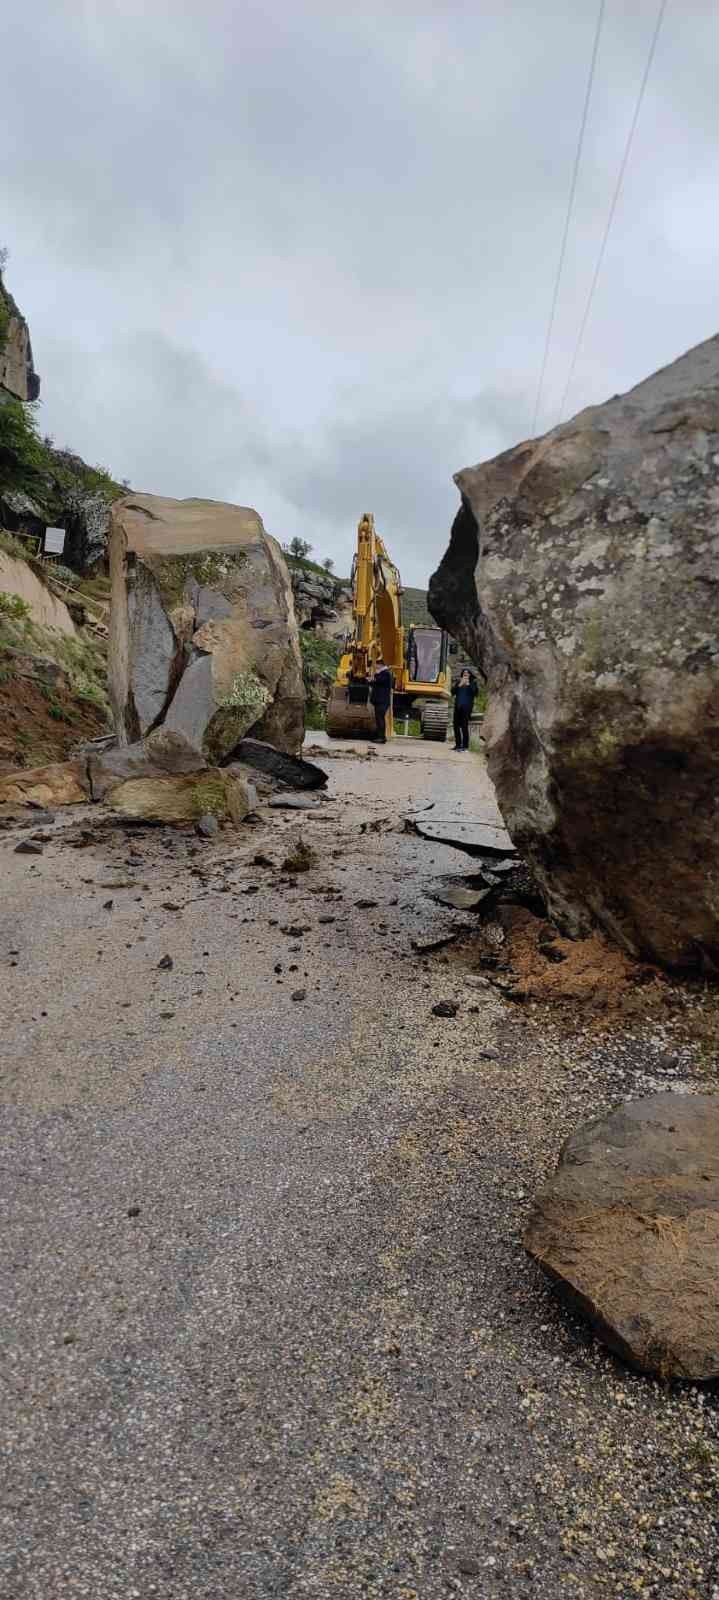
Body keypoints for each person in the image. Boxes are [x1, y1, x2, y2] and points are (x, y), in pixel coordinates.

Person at [369, 656, 393, 743]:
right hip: (379, 701)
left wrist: (375, 676)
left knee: (380, 719)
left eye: (377, 665)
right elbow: (376, 683)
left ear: (381, 665)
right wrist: (370, 681)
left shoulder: (386, 673)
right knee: (379, 719)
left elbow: (379, 681)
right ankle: (379, 735)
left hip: (382, 701)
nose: (375, 667)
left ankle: (381, 737)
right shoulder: (383, 673)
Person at [452, 667, 475, 751]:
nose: (465, 674)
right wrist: (459, 685)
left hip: (467, 708)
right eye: (464, 673)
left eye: (467, 673)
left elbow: (475, 693)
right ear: (462, 675)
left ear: (470, 675)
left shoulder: (473, 683)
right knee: (456, 726)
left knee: (464, 726)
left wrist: (468, 684)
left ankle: (465, 746)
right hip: (458, 707)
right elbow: (452, 692)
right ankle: (458, 745)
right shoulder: (459, 682)